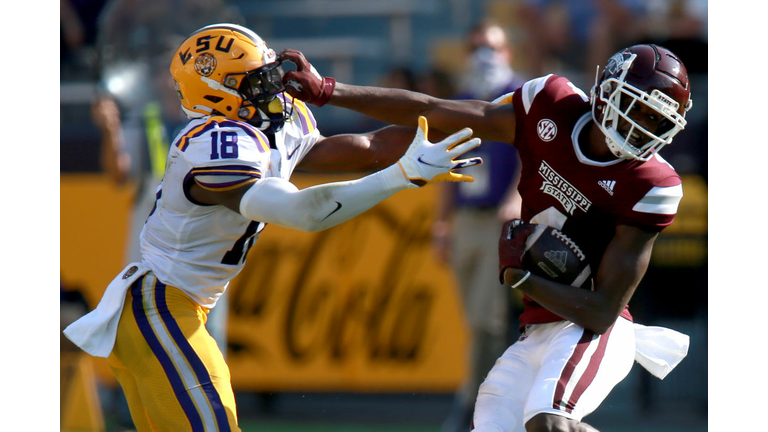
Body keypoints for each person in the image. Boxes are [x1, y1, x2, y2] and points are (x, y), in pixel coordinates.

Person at [64, 23, 482, 431]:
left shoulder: (273, 126)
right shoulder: (212, 144)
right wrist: (402, 175)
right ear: (218, 94)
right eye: (256, 82)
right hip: (159, 308)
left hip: (176, 309)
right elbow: (304, 211)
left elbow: (370, 146)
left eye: (269, 76)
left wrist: (484, 123)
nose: (274, 89)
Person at [280, 43, 693, 431]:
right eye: (636, 110)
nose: (643, 128)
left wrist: (523, 278)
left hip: (592, 329)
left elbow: (602, 312)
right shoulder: (550, 105)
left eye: (657, 121)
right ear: (606, 92)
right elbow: (433, 111)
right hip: (536, 328)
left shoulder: (652, 184)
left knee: (548, 421)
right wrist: (329, 91)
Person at [433, 20, 526, 432]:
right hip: (466, 218)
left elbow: (536, 154)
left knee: (488, 319)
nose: (483, 55)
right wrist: (441, 222)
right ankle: (491, 402)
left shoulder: (522, 97)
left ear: (507, 52)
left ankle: (473, 407)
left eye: (491, 46)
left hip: (498, 219)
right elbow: (445, 165)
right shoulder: (461, 100)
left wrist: (515, 198)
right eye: (475, 47)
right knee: (473, 319)